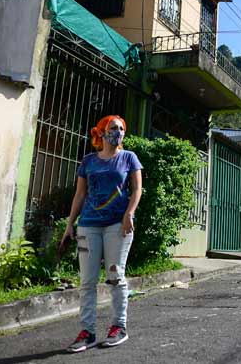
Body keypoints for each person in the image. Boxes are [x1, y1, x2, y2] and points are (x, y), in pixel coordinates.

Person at [63, 115, 143, 353]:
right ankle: (87, 332)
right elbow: (79, 194)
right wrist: (70, 224)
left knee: (115, 276)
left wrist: (129, 213)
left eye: (121, 129)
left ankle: (119, 327)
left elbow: (137, 189)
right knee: (87, 282)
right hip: (88, 225)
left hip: (117, 226)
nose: (117, 132)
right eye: (113, 128)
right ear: (101, 132)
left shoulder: (129, 158)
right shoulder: (88, 161)